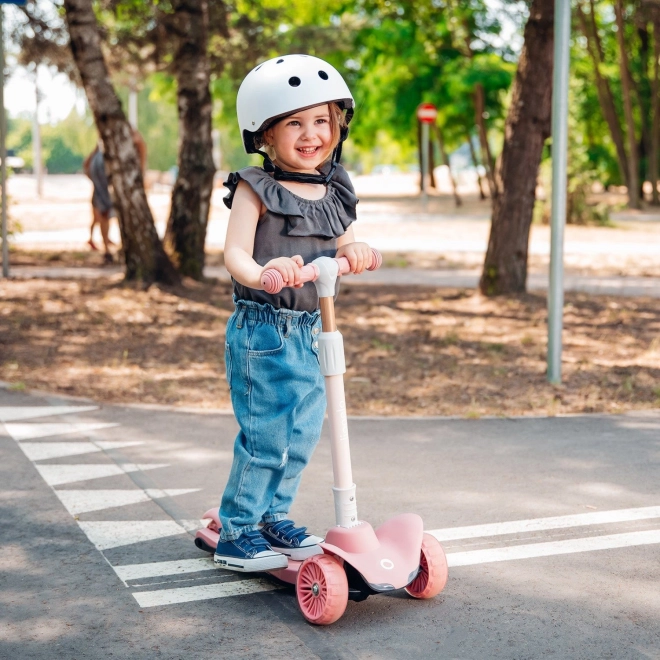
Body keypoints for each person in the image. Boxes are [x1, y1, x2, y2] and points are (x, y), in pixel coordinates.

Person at [214, 54, 373, 572]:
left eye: (322, 120)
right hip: (265, 332)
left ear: (338, 126)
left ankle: (272, 516)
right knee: (266, 437)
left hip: (315, 329)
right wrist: (263, 273)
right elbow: (235, 254)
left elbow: (346, 241)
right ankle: (237, 530)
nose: (311, 134)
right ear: (264, 134)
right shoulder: (254, 189)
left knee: (302, 435)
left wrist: (357, 251)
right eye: (294, 123)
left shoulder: (336, 190)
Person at [83, 129, 146, 263]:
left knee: (104, 212)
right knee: (110, 211)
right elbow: (140, 145)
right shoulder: (124, 135)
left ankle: (108, 248)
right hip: (107, 172)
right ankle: (110, 249)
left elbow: (87, 164)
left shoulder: (112, 134)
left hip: (103, 174)